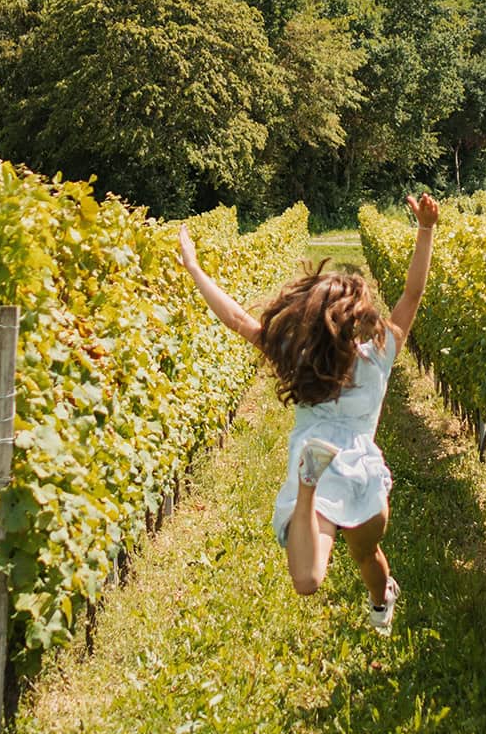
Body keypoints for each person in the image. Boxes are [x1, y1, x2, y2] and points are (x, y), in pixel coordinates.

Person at [178, 194, 439, 634]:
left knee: (358, 560)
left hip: (352, 472)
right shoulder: (379, 354)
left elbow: (239, 319)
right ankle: (310, 490)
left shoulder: (302, 358)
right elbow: (413, 294)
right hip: (347, 470)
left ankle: (380, 594)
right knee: (320, 574)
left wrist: (195, 269)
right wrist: (426, 230)